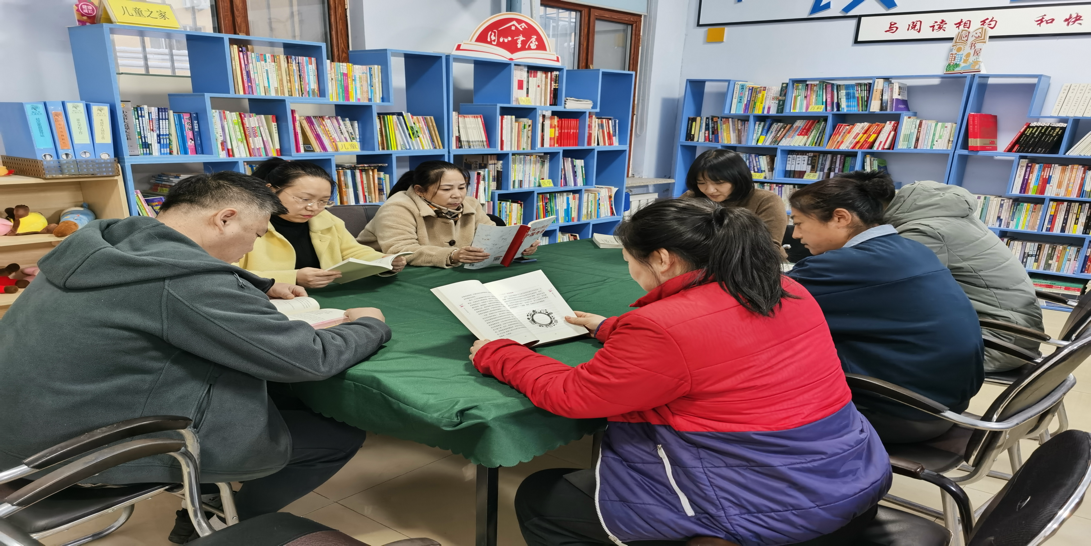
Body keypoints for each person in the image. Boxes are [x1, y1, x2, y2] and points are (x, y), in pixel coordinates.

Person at [469, 199, 891, 545]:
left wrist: (498, 352)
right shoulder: (786, 288)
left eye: (630, 261)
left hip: (767, 511)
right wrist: (612, 327)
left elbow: (574, 395)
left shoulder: (661, 327)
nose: (631, 272)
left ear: (662, 259)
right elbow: (713, 340)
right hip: (849, 478)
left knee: (544, 498)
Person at [0, 172, 390, 538]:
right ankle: (224, 527)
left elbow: (165, 292)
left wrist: (257, 285)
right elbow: (310, 358)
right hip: (75, 456)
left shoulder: (103, 245)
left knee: (267, 394)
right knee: (334, 438)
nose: (251, 247)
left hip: (22, 434)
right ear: (225, 219)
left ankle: (206, 498)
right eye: (255, 235)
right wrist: (370, 324)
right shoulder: (186, 283)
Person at [787, 171, 984, 444]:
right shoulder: (912, 248)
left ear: (840, 218)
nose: (796, 235)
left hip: (898, 413)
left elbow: (755, 301)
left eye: (799, 223)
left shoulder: (839, 266)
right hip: (943, 403)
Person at [885, 180, 1045, 373]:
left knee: (865, 346)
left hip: (994, 343)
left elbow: (899, 291)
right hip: (1014, 333)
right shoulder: (948, 216)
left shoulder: (923, 231)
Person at [237, 158, 406, 288]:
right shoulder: (241, 224)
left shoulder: (325, 219)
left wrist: (383, 261)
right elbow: (230, 275)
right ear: (270, 189)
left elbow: (352, 251)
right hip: (267, 301)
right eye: (305, 199)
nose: (313, 208)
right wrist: (293, 278)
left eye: (323, 201)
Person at [358, 160, 538, 268]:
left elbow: (492, 236)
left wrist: (518, 246)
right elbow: (402, 251)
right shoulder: (397, 207)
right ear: (420, 190)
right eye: (446, 189)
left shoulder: (470, 204)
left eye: (462, 187)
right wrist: (452, 255)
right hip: (391, 275)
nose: (457, 195)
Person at [683, 149, 788, 257]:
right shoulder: (691, 197)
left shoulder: (766, 200)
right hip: (698, 260)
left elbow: (768, 248)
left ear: (738, 179)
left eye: (719, 183)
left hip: (753, 262)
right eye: (701, 183)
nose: (710, 190)